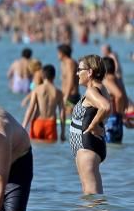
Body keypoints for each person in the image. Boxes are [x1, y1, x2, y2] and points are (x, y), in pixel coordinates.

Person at [69, 55, 112, 195]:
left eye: (79, 69)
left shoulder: (92, 91)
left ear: (89, 72)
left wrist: (93, 126)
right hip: (90, 146)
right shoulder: (101, 88)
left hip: (87, 147)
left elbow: (105, 107)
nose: (77, 73)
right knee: (94, 196)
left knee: (91, 197)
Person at [22, 65, 66, 143]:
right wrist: (62, 132)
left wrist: (24, 126)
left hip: (37, 122)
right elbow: (62, 112)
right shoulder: (58, 92)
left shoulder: (37, 90)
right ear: (54, 76)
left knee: (36, 149)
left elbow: (31, 108)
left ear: (42, 75)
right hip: (50, 124)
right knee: (50, 150)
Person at [102, 58, 127, 144]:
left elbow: (119, 95)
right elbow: (125, 99)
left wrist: (118, 113)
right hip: (117, 120)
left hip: (111, 119)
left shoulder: (106, 80)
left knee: (109, 150)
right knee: (117, 146)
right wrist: (121, 115)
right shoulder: (118, 80)